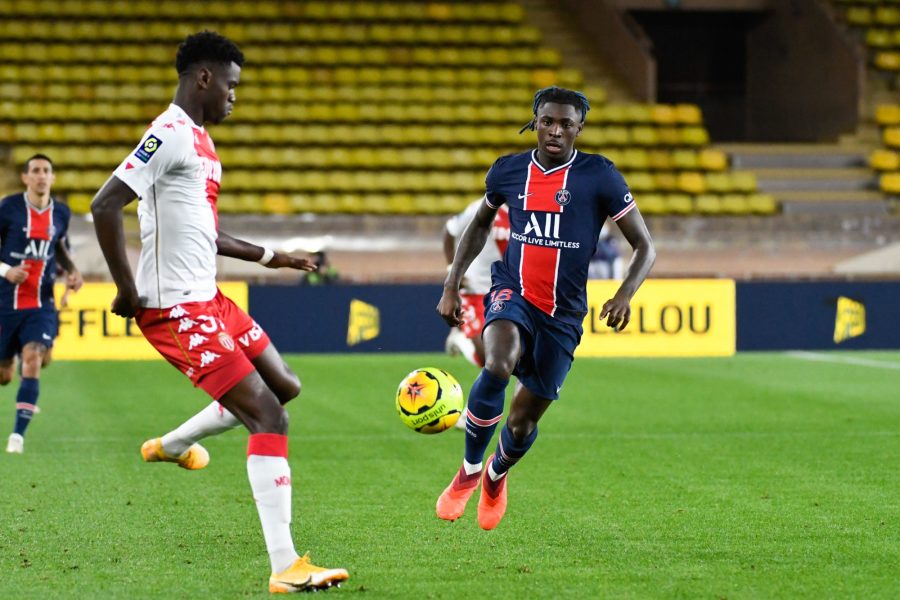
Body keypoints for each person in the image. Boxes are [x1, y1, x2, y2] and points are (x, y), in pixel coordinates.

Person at [90, 31, 348, 593]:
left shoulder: (204, 144)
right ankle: (285, 567)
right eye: (231, 85)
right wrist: (128, 290)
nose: (235, 96)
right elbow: (104, 203)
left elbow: (205, 231)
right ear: (203, 78)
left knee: (284, 388)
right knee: (268, 418)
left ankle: (174, 445)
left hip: (211, 299)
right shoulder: (170, 133)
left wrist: (270, 257)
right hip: (177, 309)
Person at [435, 87, 656, 530]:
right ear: (535, 121)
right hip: (512, 291)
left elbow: (645, 246)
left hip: (563, 315)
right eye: (547, 121)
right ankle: (470, 471)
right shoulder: (508, 171)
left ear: (579, 128)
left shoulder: (600, 176)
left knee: (520, 425)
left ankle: (497, 475)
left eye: (565, 124)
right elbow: (478, 225)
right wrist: (452, 282)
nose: (555, 130)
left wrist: (625, 293)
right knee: (497, 363)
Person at [0, 154, 83, 454]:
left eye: (46, 170)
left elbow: (59, 247)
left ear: (53, 177)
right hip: (6, 302)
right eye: (35, 171)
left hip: (41, 303)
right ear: (25, 177)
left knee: (35, 356)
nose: (41, 176)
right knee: (4, 375)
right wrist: (6, 270)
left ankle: (17, 436)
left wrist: (72, 272)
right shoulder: (8, 208)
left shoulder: (60, 212)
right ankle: (15, 364)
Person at [442, 198, 510, 369]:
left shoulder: (529, 209)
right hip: (474, 288)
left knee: (502, 358)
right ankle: (460, 337)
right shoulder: (485, 206)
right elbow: (449, 231)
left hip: (505, 291)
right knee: (486, 358)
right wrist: (452, 270)